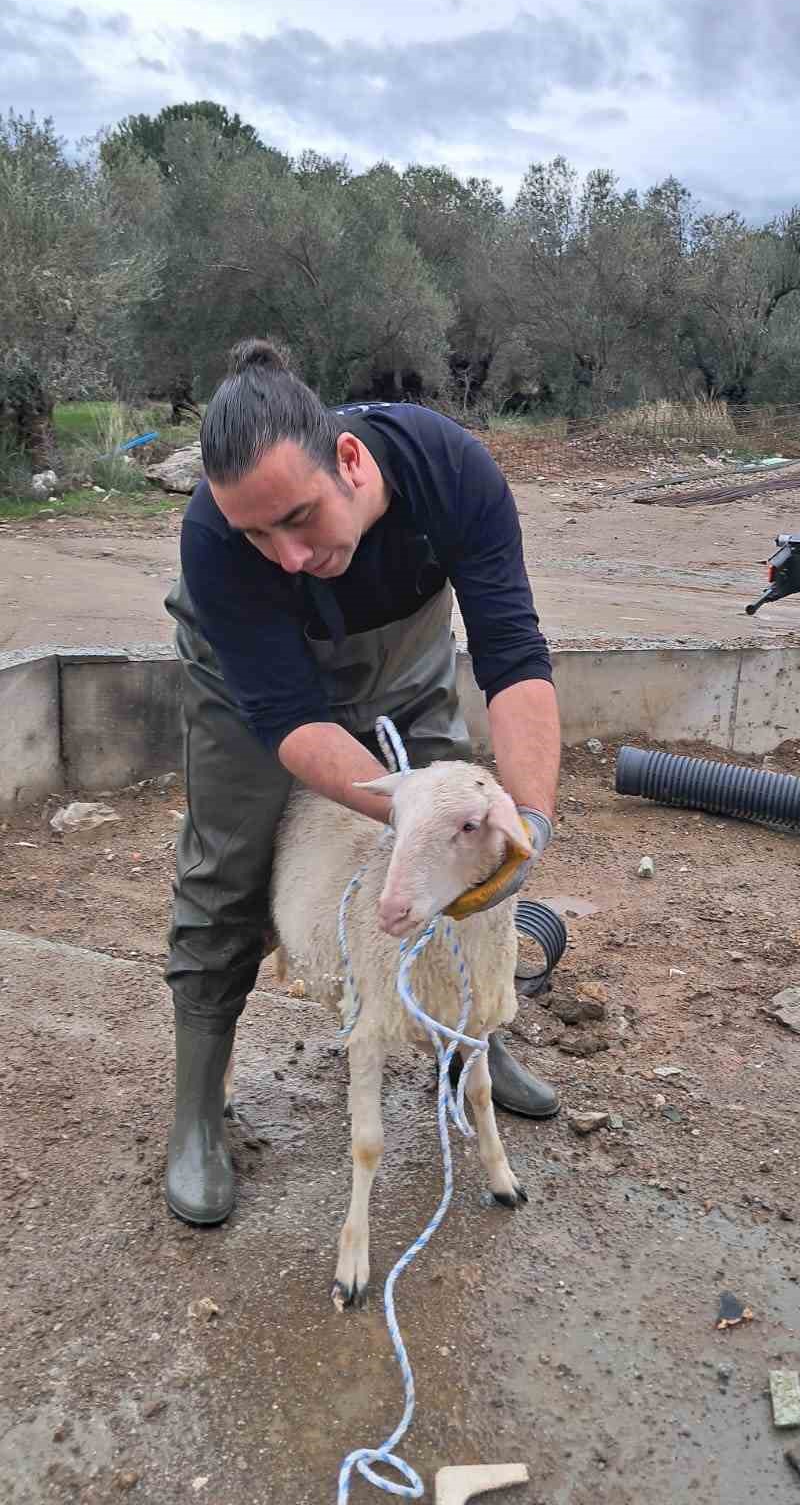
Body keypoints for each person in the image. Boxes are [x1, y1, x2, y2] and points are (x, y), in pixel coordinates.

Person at [163, 339, 562, 1226]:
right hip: (251, 687)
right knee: (227, 865)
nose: (287, 556)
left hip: (402, 658)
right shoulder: (216, 544)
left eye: (299, 518)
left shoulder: (453, 473)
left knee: (465, 859)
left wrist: (528, 816)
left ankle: (470, 1051)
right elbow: (292, 725)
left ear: (350, 460)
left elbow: (514, 655)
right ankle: (197, 1110)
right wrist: (398, 800)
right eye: (256, 535)